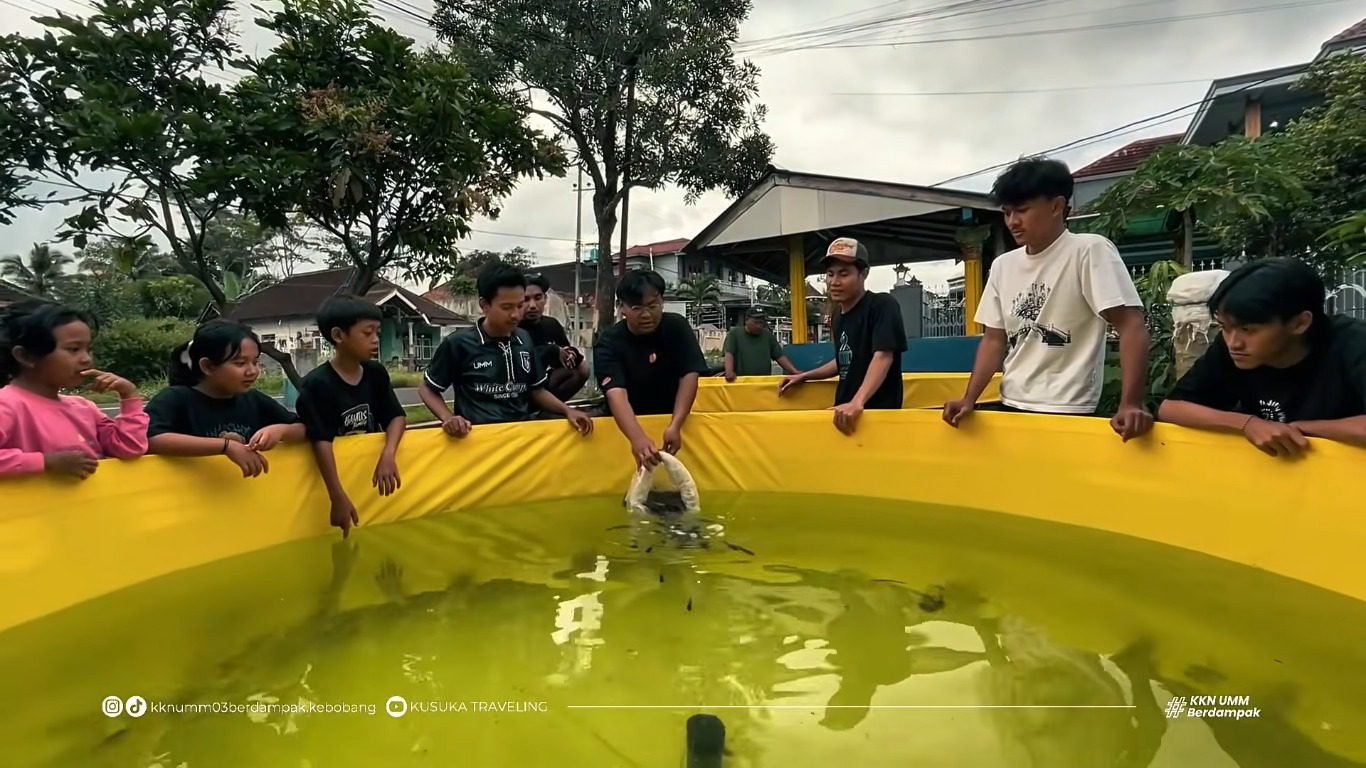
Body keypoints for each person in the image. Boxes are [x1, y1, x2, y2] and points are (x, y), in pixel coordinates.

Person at [942, 157, 1153, 441]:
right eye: (1006, 213)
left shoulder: (1089, 251)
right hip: (1012, 404)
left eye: (1022, 210)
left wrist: (1130, 404)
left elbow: (1131, 325)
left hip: (1068, 410)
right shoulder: (1004, 266)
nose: (1012, 222)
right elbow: (994, 340)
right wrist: (969, 399)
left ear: (1056, 206)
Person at [1158, 258, 1366, 456]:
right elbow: (1172, 408)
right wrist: (1247, 424)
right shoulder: (1235, 346)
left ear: (1299, 323)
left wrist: (1301, 429)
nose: (1233, 342)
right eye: (1224, 327)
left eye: (1248, 329)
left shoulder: (1353, 343)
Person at [420, 263, 593, 435]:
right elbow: (427, 389)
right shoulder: (458, 344)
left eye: (519, 305)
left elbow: (536, 390)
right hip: (478, 440)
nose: (516, 315)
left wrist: (567, 411)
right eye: (507, 307)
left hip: (521, 437)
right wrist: (448, 417)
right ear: (484, 305)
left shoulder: (524, 339)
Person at [296, 295, 406, 538]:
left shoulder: (375, 374)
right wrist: (336, 496)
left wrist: (388, 454)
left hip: (369, 481)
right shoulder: (317, 385)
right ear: (338, 336)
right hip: (338, 480)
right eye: (368, 333)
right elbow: (321, 441)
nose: (376, 340)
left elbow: (396, 417)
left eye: (378, 332)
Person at [0, 302, 147, 479]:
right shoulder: (7, 404)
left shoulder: (85, 407)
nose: (86, 359)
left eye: (89, 349)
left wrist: (129, 396)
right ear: (25, 356)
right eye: (74, 349)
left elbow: (129, 449)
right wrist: (46, 462)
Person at [779, 238, 908, 435]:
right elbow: (843, 360)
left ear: (863, 274)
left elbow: (883, 356)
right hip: (842, 413)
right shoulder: (838, 316)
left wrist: (858, 401)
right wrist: (804, 376)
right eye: (830, 274)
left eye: (844, 274)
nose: (834, 282)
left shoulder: (882, 305)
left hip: (876, 416)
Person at [145, 320, 305, 477]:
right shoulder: (175, 399)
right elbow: (150, 439)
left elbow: (304, 428)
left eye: (255, 362)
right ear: (207, 366)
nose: (252, 371)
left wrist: (281, 431)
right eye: (240, 363)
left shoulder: (254, 400)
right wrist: (226, 446)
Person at [594, 269, 709, 468]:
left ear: (662, 302)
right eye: (637, 308)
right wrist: (637, 438)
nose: (646, 315)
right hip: (626, 422)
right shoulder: (609, 342)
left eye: (653, 306)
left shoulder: (677, 327)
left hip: (670, 416)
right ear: (622, 307)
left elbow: (689, 374)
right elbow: (615, 393)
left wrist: (676, 424)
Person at [520, 273, 588, 402]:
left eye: (538, 297)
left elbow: (563, 354)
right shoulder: (511, 328)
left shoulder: (551, 324)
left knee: (582, 369)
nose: (533, 305)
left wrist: (571, 354)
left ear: (545, 299)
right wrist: (551, 350)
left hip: (546, 384)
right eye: (526, 299)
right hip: (520, 387)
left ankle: (553, 410)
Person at [723, 306, 799, 381]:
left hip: (762, 382)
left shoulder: (767, 335)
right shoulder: (735, 334)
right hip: (741, 382)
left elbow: (779, 356)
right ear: (746, 320)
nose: (759, 326)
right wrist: (729, 371)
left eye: (762, 323)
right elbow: (729, 353)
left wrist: (794, 371)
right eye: (756, 322)